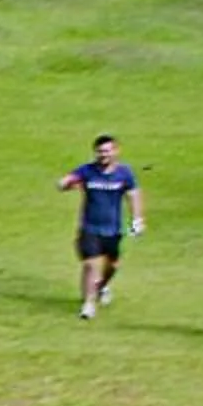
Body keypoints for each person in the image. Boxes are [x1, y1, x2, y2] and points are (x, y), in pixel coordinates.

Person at [59, 134, 144, 319]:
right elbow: (70, 179)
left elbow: (133, 195)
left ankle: (102, 286)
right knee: (90, 265)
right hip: (90, 228)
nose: (103, 155)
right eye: (100, 151)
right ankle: (88, 304)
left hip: (113, 229)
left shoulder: (124, 173)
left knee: (113, 265)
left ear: (115, 151)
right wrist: (64, 183)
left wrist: (137, 219)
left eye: (107, 151)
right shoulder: (87, 171)